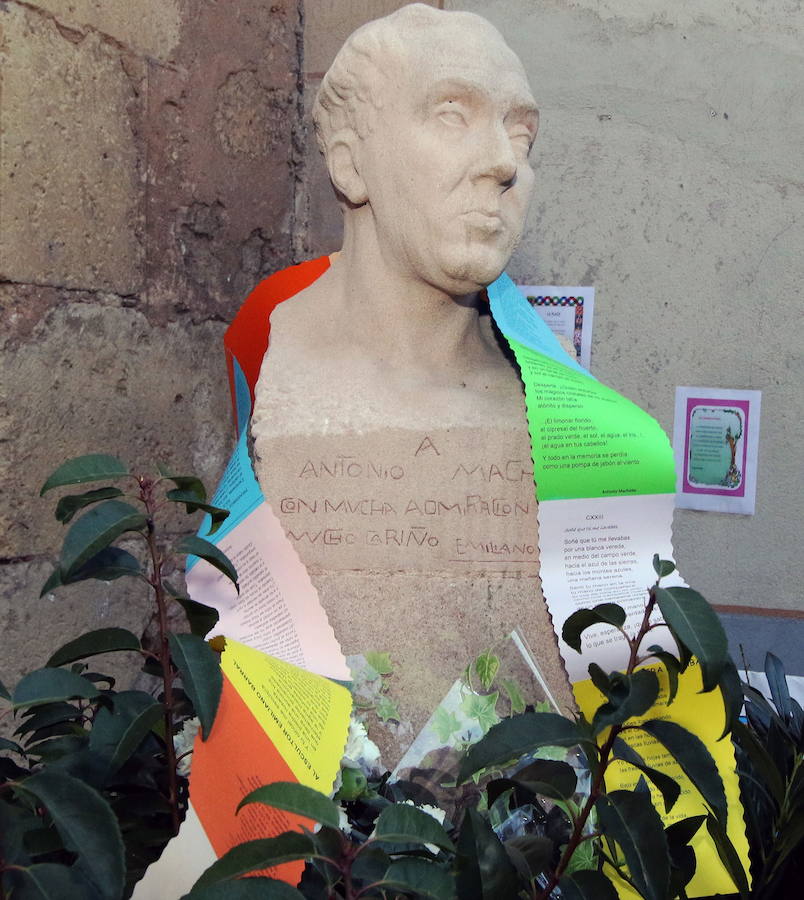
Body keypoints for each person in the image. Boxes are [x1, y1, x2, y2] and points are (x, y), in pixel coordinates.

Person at [252, 3, 539, 434]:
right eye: (452, 115)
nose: (504, 163)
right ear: (351, 166)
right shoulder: (284, 351)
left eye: (520, 137)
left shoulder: (552, 385)